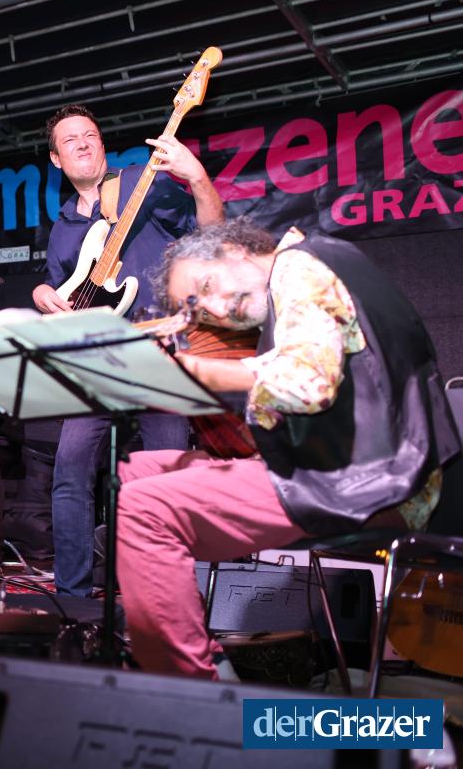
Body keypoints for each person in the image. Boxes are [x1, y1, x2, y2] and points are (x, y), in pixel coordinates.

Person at [114, 217, 460, 679]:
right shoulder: (310, 271)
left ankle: (191, 687)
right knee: (132, 471)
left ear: (235, 250)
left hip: (374, 481)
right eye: (202, 312)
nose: (216, 309)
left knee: (144, 506)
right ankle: (196, 649)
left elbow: (309, 382)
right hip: (349, 467)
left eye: (206, 287)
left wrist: (189, 371)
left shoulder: (300, 266)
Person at [29, 104, 224, 598]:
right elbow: (63, 289)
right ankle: (73, 598)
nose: (82, 143)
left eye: (90, 134)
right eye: (70, 139)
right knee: (70, 473)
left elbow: (212, 235)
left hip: (158, 352)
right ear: (55, 159)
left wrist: (197, 178)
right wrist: (42, 293)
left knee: (165, 477)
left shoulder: (140, 181)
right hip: (96, 362)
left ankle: (167, 597)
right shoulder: (62, 226)